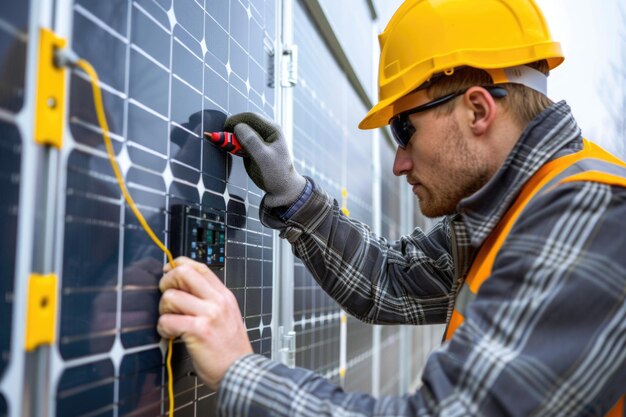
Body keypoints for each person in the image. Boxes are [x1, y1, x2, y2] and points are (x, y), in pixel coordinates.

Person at [157, 0, 626, 415]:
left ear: (478, 111)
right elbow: (391, 282)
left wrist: (239, 371)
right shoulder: (516, 207)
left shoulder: (591, 218)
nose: (399, 163)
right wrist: (294, 197)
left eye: (404, 130)